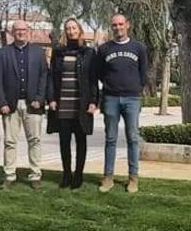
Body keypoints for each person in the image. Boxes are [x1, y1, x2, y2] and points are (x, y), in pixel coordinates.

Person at [0, 20, 49, 190]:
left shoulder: (38, 52)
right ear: (11, 32)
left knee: (35, 140)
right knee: (10, 142)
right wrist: (1, 102)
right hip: (10, 105)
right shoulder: (3, 53)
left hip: (33, 104)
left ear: (29, 31)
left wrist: (40, 98)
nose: (20, 33)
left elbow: (44, 77)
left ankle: (35, 174)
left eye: (23, 30)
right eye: (17, 30)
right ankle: (9, 175)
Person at [47, 18, 101, 190]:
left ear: (79, 30)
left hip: (81, 104)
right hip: (63, 104)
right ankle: (66, 174)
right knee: (64, 141)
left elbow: (93, 79)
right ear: (65, 31)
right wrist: (52, 99)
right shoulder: (58, 52)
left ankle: (78, 175)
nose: (71, 31)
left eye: (74, 28)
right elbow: (51, 78)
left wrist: (94, 101)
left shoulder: (89, 53)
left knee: (81, 141)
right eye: (68, 28)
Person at [98, 14, 148, 193]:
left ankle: (133, 178)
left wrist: (135, 88)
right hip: (110, 98)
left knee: (133, 138)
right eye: (114, 25)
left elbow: (143, 73)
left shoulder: (139, 48)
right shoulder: (104, 49)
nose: (118, 27)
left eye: (121, 24)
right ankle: (108, 177)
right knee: (110, 138)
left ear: (127, 25)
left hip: (132, 99)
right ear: (111, 27)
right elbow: (100, 73)